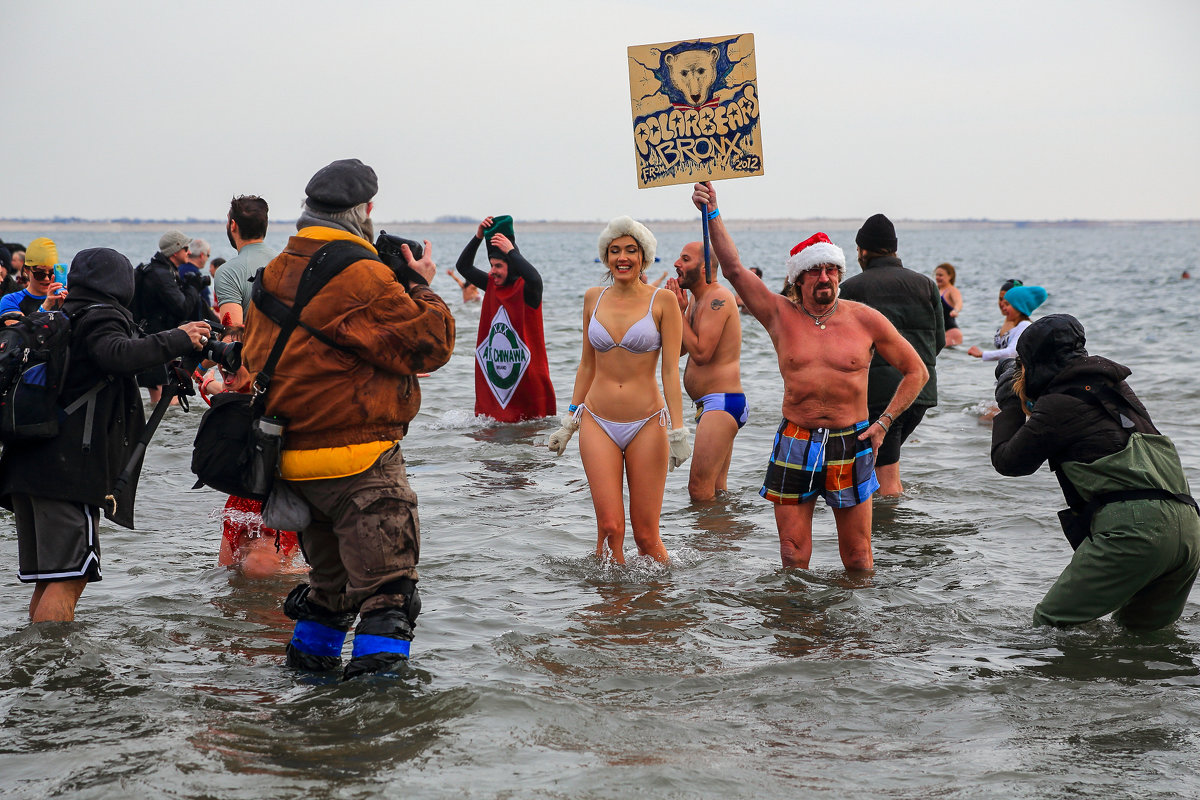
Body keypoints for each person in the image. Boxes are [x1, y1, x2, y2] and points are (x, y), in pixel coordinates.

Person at [242, 158, 455, 679]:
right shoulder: (365, 274)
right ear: (365, 212)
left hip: (292, 465)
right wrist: (419, 284)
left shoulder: (274, 269)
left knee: (329, 593)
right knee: (389, 595)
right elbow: (432, 344)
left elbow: (253, 356)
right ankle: (374, 721)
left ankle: (308, 699)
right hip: (360, 464)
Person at [690, 182, 927, 570]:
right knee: (792, 554)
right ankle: (798, 623)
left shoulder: (864, 319)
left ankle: (856, 628)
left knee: (859, 557)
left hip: (851, 440)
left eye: (831, 270)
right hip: (796, 438)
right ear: (798, 279)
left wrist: (884, 422)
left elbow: (916, 371)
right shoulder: (779, 315)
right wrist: (713, 210)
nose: (825, 278)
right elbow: (732, 268)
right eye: (815, 271)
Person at [0, 248, 210, 622]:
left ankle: (33, 663)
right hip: (66, 471)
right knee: (69, 578)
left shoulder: (59, 315)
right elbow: (116, 353)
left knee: (49, 578)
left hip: (26, 463)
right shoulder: (100, 316)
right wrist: (178, 338)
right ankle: (57, 671)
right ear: (121, 282)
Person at [991, 314, 1200, 629]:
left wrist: (1010, 404)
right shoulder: (1118, 389)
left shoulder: (1058, 403)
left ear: (1034, 363)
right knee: (1141, 637)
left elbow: (1009, 462)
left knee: (1051, 623)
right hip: (1189, 527)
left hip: (1137, 532)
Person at [547, 216, 689, 564]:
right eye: (614, 251)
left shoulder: (663, 302)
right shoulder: (593, 298)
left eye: (630, 250)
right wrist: (569, 421)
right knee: (610, 528)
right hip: (597, 420)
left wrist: (679, 430)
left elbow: (671, 370)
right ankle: (612, 611)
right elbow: (586, 365)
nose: (622, 257)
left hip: (647, 422)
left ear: (644, 256)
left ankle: (663, 607)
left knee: (645, 536)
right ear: (606, 257)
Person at [839, 213, 944, 498]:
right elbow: (940, 341)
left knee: (885, 479)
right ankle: (882, 529)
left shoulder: (851, 289)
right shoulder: (926, 284)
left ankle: (889, 536)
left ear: (862, 250)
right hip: (920, 393)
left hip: (879, 397)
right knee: (880, 463)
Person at [455, 215, 555, 422]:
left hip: (528, 383)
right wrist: (478, 237)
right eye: (491, 265)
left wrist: (511, 251)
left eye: (498, 266)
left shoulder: (529, 290)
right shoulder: (491, 285)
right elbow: (463, 267)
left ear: (512, 264)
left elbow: (535, 277)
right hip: (499, 386)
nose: (492, 272)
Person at [665, 241, 744, 501]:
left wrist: (678, 311)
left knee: (699, 490)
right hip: (710, 405)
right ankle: (719, 538)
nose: (677, 263)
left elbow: (701, 353)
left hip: (721, 404)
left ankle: (703, 542)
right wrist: (680, 312)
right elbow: (680, 351)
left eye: (685, 259)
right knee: (716, 492)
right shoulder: (699, 301)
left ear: (704, 268)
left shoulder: (717, 298)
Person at [134, 230, 208, 403]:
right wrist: (192, 287)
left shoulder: (157, 270)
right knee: (167, 400)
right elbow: (182, 308)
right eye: (186, 248)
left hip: (150, 339)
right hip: (156, 342)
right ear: (175, 251)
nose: (189, 252)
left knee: (160, 399)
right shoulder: (162, 275)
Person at [213, 195, 276, 326]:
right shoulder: (286, 262)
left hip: (251, 346)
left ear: (233, 226)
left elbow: (232, 336)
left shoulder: (228, 272)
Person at [967, 284, 1047, 362]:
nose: (1003, 307)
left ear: (1019, 307)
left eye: (1007, 304)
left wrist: (982, 354)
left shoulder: (1024, 325)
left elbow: (1012, 352)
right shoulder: (1017, 326)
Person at [0, 237, 67, 317]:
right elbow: (18, 329)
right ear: (26, 270)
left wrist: (67, 307)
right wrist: (45, 306)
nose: (46, 279)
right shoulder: (11, 300)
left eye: (51, 273)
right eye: (39, 274)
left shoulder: (64, 298)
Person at [934, 262, 964, 347]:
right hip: (939, 334)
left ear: (950, 276)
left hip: (951, 333)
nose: (937, 277)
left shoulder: (952, 290)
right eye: (936, 275)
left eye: (941, 275)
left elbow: (959, 302)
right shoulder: (935, 290)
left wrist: (956, 310)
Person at [181, 237, 213, 310]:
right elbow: (204, 299)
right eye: (208, 255)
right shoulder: (195, 275)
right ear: (202, 255)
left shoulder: (179, 269)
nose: (207, 259)